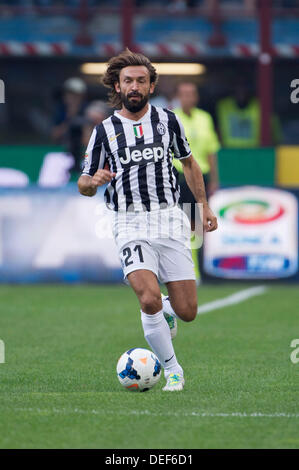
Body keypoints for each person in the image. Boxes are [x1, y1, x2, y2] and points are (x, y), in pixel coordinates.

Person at [77, 49, 218, 392]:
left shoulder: (168, 120)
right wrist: (91, 183)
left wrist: (204, 206)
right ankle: (173, 370)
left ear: (151, 85)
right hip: (129, 222)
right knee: (147, 298)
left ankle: (169, 308)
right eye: (128, 81)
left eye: (141, 80)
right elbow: (82, 182)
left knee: (187, 312)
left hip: (169, 219)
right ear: (118, 85)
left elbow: (189, 163)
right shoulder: (105, 131)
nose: (135, 86)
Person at [173, 81, 220, 284]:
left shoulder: (204, 118)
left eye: (191, 94)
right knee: (183, 225)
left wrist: (215, 179)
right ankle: (187, 271)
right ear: (178, 96)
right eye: (184, 94)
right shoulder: (172, 118)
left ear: (196, 97)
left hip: (201, 177)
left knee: (200, 226)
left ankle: (197, 270)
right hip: (180, 175)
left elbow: (211, 149)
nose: (188, 98)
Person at [52, 77, 87, 173]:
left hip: (84, 157)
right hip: (63, 157)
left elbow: (87, 141)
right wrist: (70, 118)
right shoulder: (60, 111)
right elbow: (55, 136)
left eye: (75, 95)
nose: (71, 98)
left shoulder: (88, 111)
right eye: (69, 94)